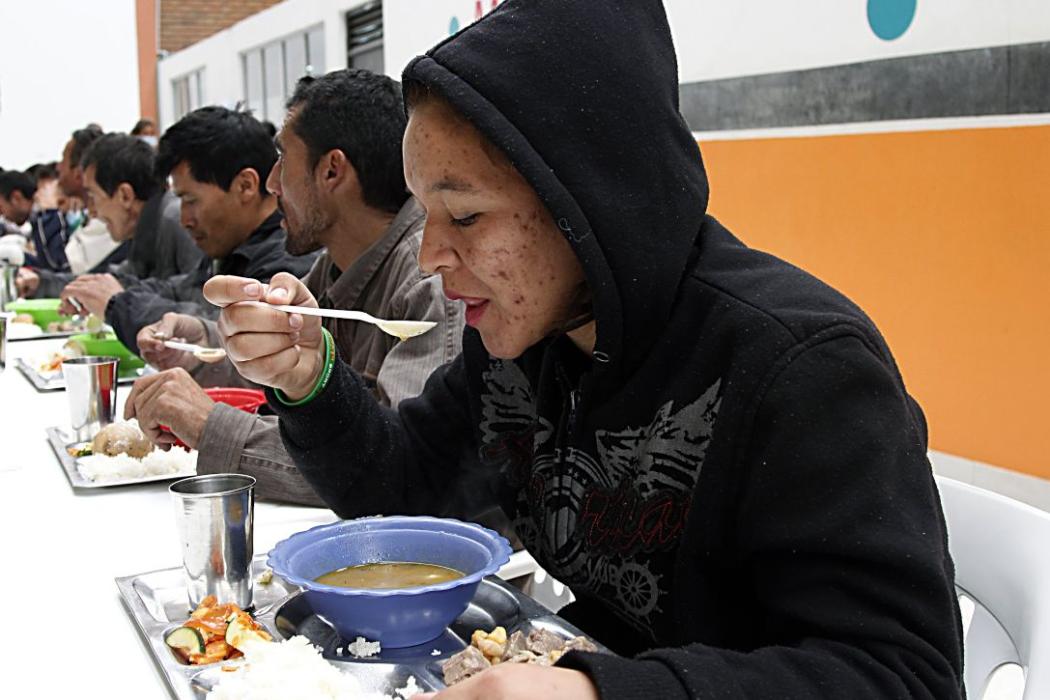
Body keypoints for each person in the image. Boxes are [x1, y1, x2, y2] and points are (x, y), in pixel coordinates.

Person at [205, 1, 964, 698]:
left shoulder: (801, 368)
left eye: (464, 216)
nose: (431, 253)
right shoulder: (522, 343)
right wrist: (309, 380)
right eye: (423, 212)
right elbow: (405, 493)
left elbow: (904, 675)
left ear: (587, 205)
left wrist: (600, 693)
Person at [124, 69, 464, 506]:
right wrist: (204, 344)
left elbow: (388, 471)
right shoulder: (333, 267)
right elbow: (282, 361)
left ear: (332, 171)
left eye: (282, 158)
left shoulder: (429, 281)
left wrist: (209, 426)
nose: (270, 183)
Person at [104, 106, 318, 354]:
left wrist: (119, 304)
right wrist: (116, 287)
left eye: (191, 200)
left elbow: (234, 333)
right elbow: (182, 288)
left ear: (245, 186)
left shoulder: (289, 261)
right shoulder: (231, 245)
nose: (184, 219)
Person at [25, 134, 203, 310]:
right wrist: (41, 282)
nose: (92, 211)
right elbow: (115, 282)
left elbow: (204, 309)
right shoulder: (146, 227)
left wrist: (118, 304)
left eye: (93, 196)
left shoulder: (178, 221)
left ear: (125, 196)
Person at [17, 125, 127, 297]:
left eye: (63, 161)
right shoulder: (85, 211)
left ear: (79, 174)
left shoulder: (111, 216)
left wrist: (49, 212)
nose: (58, 168)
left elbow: (61, 267)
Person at [0, 169, 70, 272]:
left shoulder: (48, 219)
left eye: (1, 207)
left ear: (16, 198)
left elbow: (57, 265)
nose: (1, 214)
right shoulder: (39, 222)